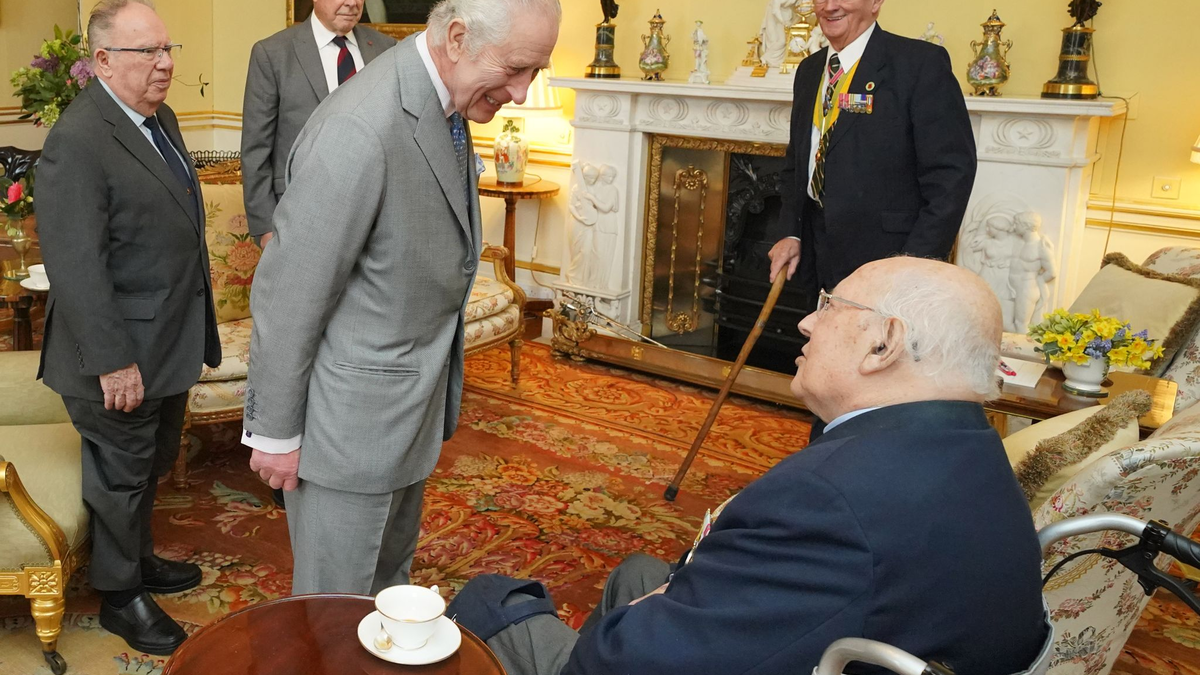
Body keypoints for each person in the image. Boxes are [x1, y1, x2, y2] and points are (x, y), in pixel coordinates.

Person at [450, 257, 1050, 675]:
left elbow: (624, 662)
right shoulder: (972, 448)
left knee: (490, 600)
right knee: (637, 572)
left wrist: (636, 625)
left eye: (829, 306)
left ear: (882, 344)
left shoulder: (827, 499)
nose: (807, 322)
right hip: (871, 640)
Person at [241, 0, 561, 595]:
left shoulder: (446, 98)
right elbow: (291, 290)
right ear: (458, 37)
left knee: (387, 598)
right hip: (345, 434)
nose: (521, 92)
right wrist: (276, 433)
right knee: (333, 616)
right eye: (516, 68)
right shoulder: (359, 126)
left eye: (534, 73)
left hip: (403, 415)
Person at [35, 0, 221, 655]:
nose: (166, 64)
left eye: (168, 49)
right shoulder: (78, 139)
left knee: (149, 464)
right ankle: (120, 596)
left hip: (166, 341)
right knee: (120, 475)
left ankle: (138, 561)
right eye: (149, 53)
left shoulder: (157, 117)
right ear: (104, 61)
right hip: (115, 352)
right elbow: (76, 265)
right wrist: (113, 360)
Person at [767, 0, 976, 308]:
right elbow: (797, 164)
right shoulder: (809, 70)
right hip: (816, 254)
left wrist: (912, 263)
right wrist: (791, 233)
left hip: (888, 261)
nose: (829, 6)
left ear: (876, 2)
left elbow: (952, 174)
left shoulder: (919, 64)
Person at [241, 0, 395, 249]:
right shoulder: (274, 53)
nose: (352, 3)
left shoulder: (385, 49)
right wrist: (265, 228)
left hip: (375, 220)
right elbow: (255, 150)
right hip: (298, 215)